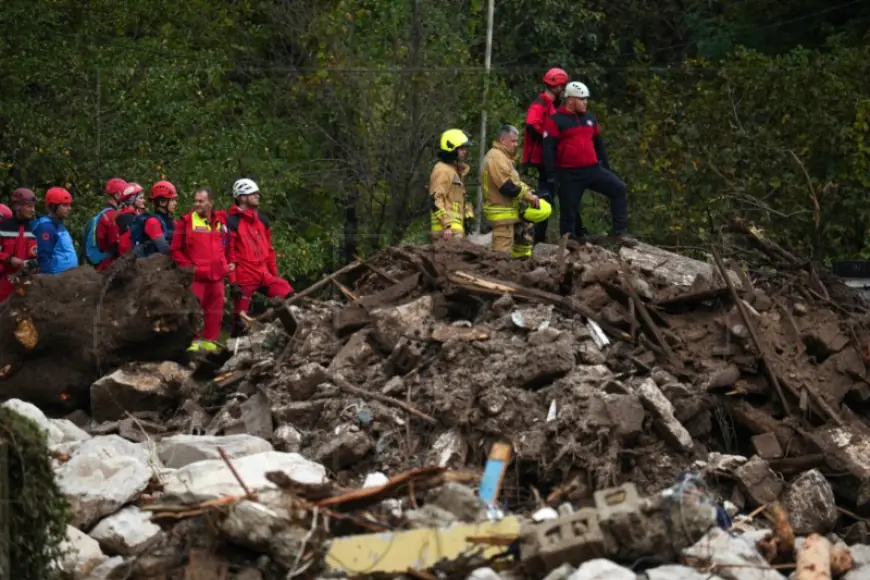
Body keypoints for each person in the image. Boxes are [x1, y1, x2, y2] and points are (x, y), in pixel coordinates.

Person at [542, 81, 631, 241]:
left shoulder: (590, 118)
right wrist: (552, 173)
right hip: (569, 172)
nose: (585, 103)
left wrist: (605, 166)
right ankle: (569, 241)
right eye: (582, 99)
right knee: (568, 209)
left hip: (592, 169)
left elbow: (598, 143)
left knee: (618, 188)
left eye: (586, 99)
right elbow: (548, 148)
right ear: (570, 100)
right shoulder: (556, 120)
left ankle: (620, 231)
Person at [226, 178, 293, 336]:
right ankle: (232, 353)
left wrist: (275, 275)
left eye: (257, 193)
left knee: (288, 295)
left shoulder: (262, 220)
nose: (257, 196)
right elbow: (230, 255)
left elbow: (270, 250)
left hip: (264, 274)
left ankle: (285, 336)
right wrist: (233, 283)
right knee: (240, 321)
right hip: (244, 277)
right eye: (253, 194)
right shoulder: (231, 222)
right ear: (242, 197)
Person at [170, 187, 229, 352]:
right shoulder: (186, 221)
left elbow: (227, 246)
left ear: (210, 202)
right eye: (195, 201)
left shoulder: (220, 223)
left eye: (201, 201)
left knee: (215, 312)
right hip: (196, 276)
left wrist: (227, 265)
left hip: (217, 276)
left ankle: (210, 344)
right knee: (192, 312)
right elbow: (175, 250)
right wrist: (189, 268)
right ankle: (191, 344)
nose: (197, 204)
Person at [481, 125, 552, 258]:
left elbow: (515, 183)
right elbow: (507, 187)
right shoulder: (496, 157)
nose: (516, 144)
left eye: (517, 141)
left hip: (509, 213)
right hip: (502, 215)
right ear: (502, 140)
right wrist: (527, 197)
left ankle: (518, 270)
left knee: (521, 247)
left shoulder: (504, 157)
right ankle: (498, 277)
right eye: (513, 141)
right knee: (500, 255)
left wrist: (529, 192)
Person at [524, 68, 568, 244]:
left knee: (549, 195)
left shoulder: (551, 107)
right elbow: (532, 125)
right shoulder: (541, 104)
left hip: (547, 158)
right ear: (557, 86)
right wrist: (549, 137)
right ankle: (538, 236)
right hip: (541, 158)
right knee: (546, 195)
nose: (563, 89)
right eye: (562, 86)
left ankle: (540, 235)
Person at [429, 129, 472, 241]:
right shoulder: (442, 170)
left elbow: (454, 199)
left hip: (454, 230)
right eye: (462, 148)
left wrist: (467, 212)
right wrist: (446, 225)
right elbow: (435, 199)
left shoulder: (453, 171)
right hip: (447, 232)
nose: (465, 151)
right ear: (452, 149)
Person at [0, 188, 38, 302]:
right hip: (4, 280)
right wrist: (10, 259)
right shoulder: (4, 227)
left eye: (33, 206)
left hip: (25, 280)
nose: (33, 210)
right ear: (17, 207)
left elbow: (35, 253)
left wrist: (34, 264)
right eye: (29, 206)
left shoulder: (34, 228)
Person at [84, 177, 127, 271]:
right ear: (118, 194)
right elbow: (116, 244)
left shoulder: (104, 213)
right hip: (106, 263)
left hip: (100, 261)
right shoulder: (111, 215)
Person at [33, 187, 78, 275]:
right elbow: (43, 257)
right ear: (53, 206)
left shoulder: (58, 224)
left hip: (68, 279)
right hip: (57, 280)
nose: (69, 208)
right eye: (65, 205)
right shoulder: (46, 227)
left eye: (69, 205)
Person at [131, 181, 177, 257]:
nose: (175, 203)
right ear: (162, 202)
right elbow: (164, 249)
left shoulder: (172, 221)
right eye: (172, 200)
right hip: (151, 265)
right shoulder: (152, 222)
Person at [116, 182, 145, 257]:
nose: (143, 200)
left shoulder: (132, 214)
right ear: (132, 199)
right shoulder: (127, 216)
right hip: (129, 257)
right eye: (141, 198)